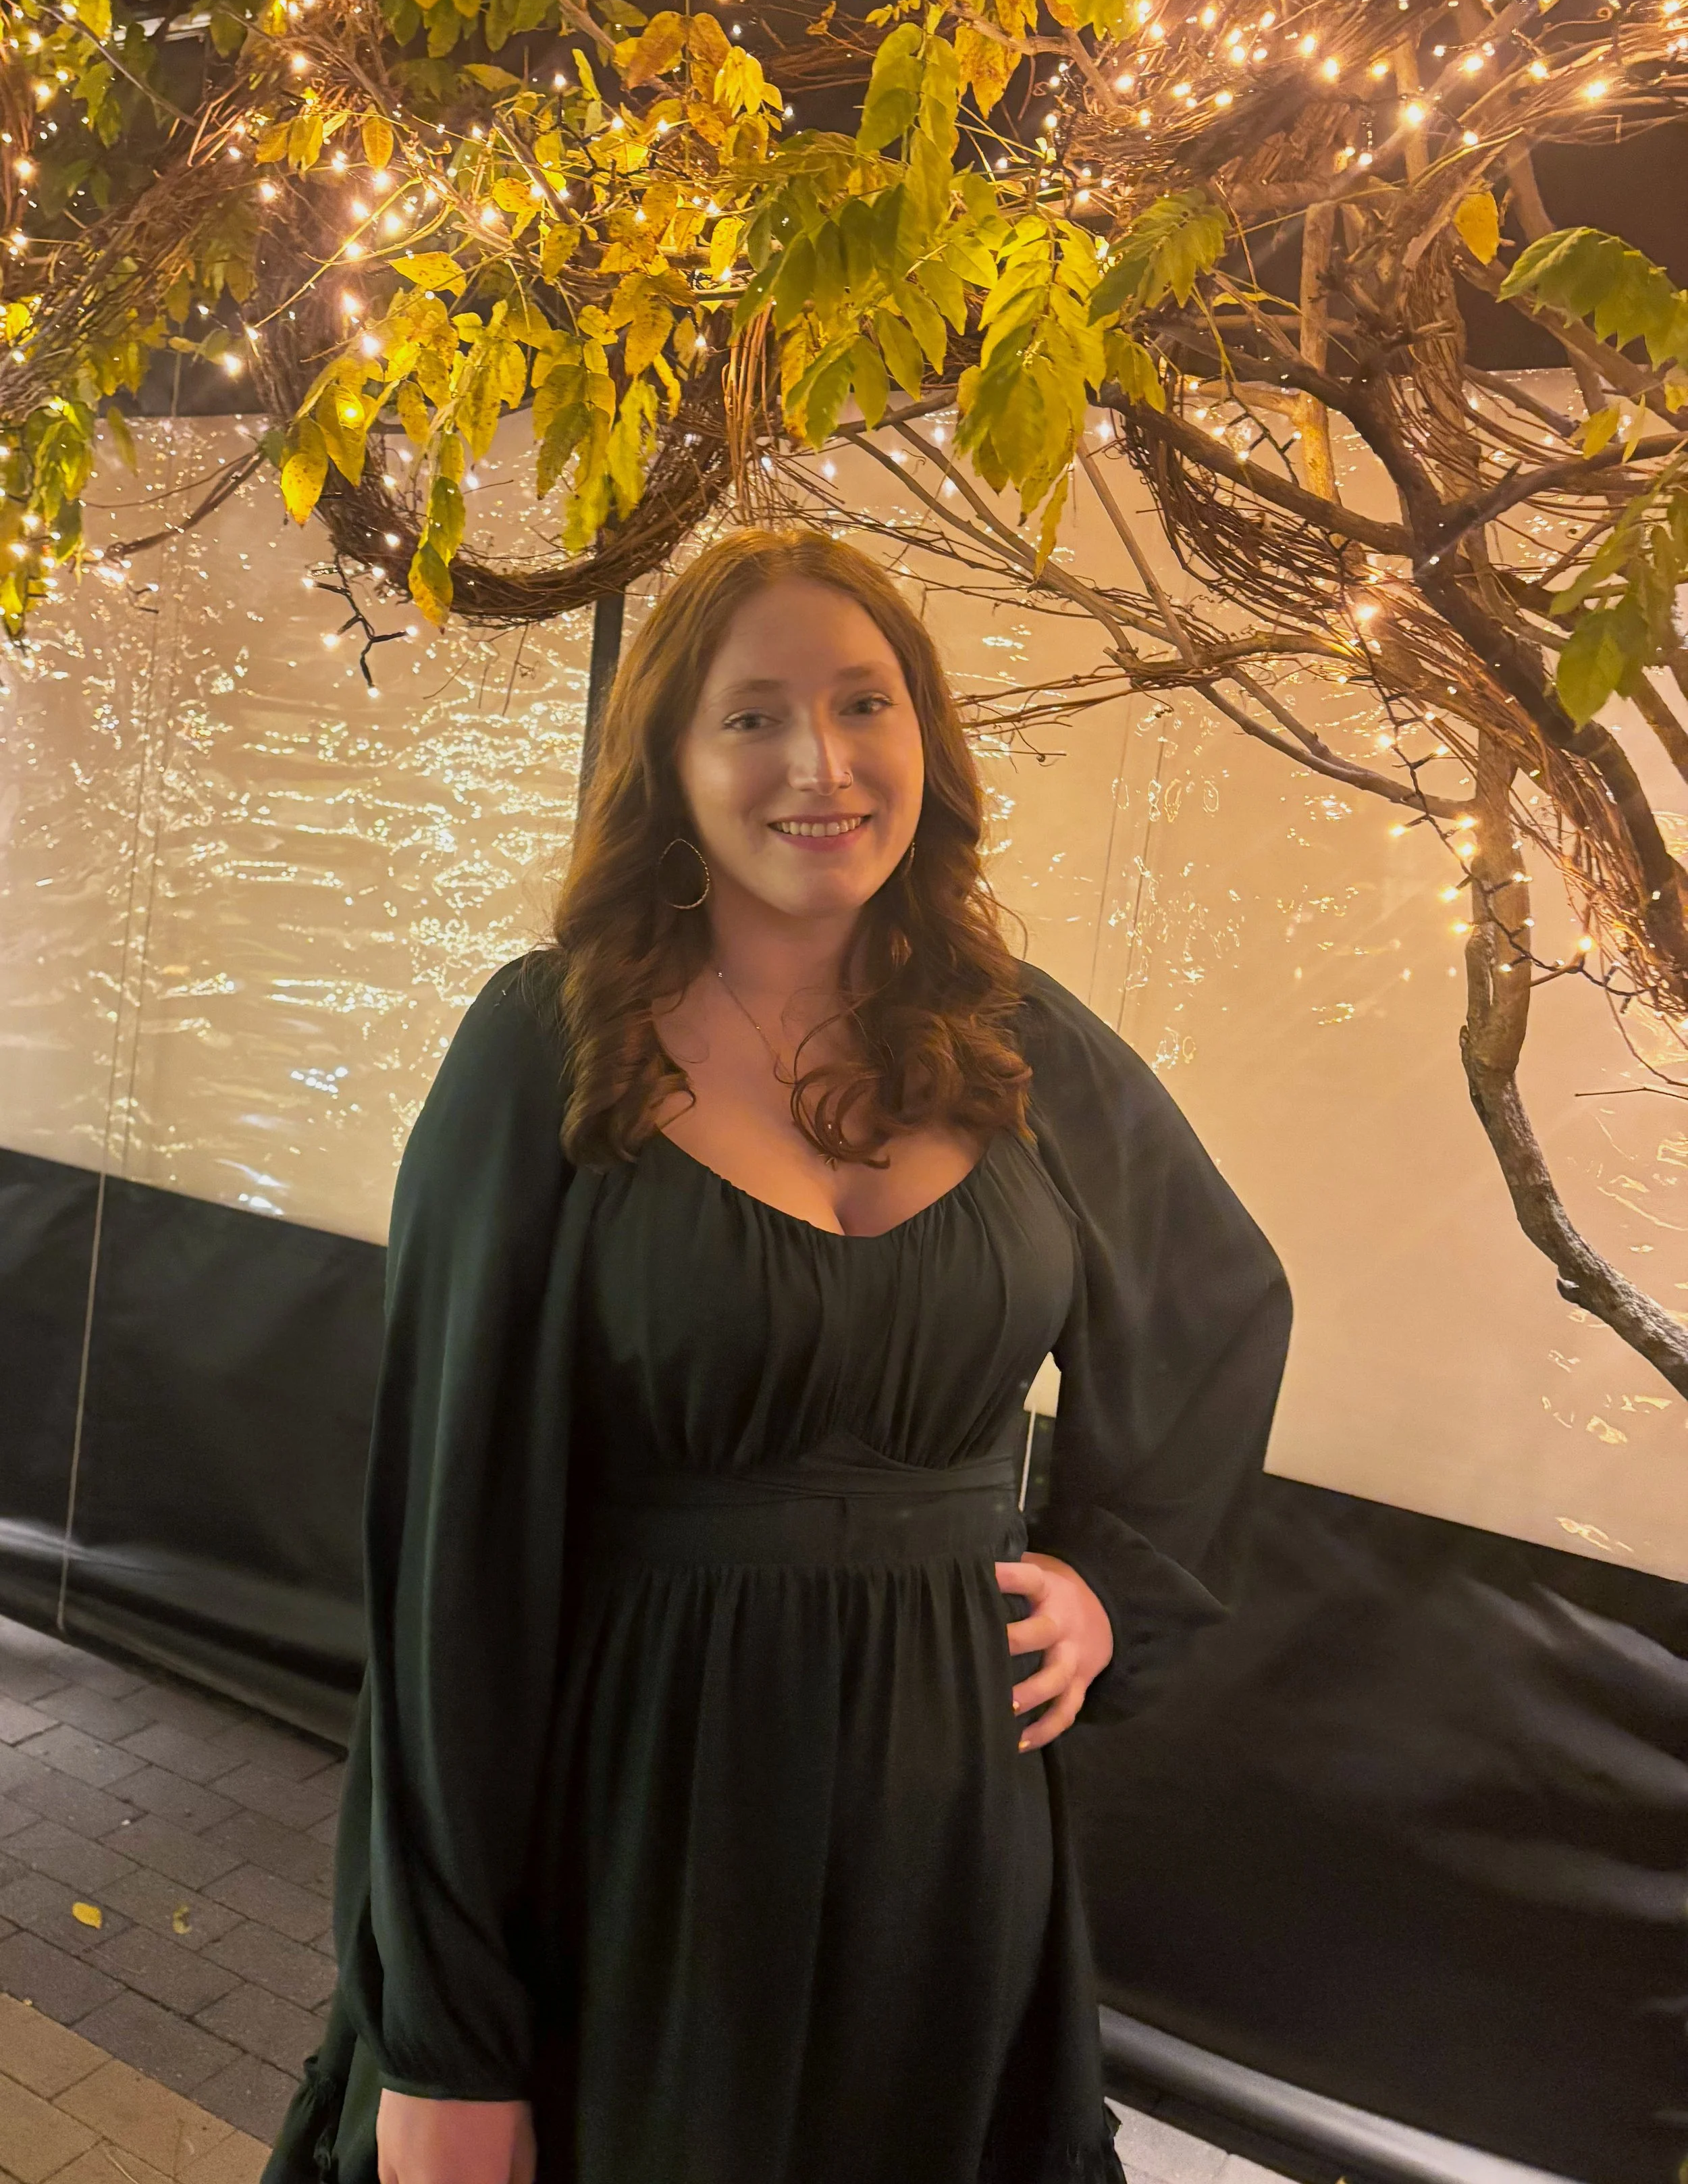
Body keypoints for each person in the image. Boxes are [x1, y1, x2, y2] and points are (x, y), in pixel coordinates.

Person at [265, 527, 1292, 2184]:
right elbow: (443, 1565)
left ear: (922, 741)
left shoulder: (1017, 1047)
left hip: (948, 1841)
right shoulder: (545, 1048)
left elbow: (1220, 1302)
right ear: (669, 765)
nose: (818, 763)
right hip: (636, 1829)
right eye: (751, 717)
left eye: (860, 703)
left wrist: (1115, 1580)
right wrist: (442, 2039)